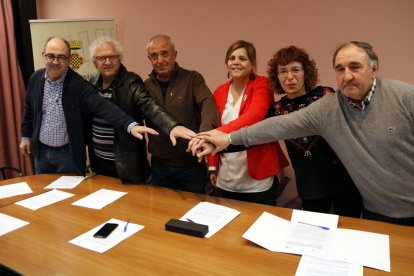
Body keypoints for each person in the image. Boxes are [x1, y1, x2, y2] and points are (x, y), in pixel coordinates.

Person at [193, 41, 414, 226]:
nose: (347, 76)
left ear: (373, 68)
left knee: (349, 229)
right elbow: (266, 130)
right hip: (315, 187)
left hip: (346, 185)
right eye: (340, 69)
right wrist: (222, 142)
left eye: (355, 67)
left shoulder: (328, 98)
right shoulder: (319, 106)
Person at [20, 37, 158, 175]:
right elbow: (29, 108)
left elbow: (103, 106)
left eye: (61, 57)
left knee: (72, 195)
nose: (55, 62)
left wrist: (130, 125)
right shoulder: (35, 78)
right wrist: (26, 136)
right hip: (41, 153)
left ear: (69, 59)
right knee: (44, 194)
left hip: (68, 155)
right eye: (50, 56)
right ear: (43, 55)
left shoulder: (79, 85)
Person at [266, 45, 361, 216]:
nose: (289, 77)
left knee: (350, 230)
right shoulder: (277, 109)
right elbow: (255, 135)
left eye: (295, 70)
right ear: (277, 76)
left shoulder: (325, 95)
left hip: (343, 179)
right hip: (310, 185)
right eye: (282, 71)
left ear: (305, 72)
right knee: (315, 234)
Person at [88, 36, 196, 184]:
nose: (107, 62)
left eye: (112, 57)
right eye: (102, 58)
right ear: (95, 61)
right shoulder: (91, 84)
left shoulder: (131, 82)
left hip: (125, 164)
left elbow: (149, 105)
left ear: (119, 58)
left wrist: (172, 126)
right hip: (99, 161)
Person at [195, 40, 288, 205]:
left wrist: (215, 134)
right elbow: (214, 127)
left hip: (257, 180)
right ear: (226, 63)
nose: (236, 62)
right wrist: (212, 166)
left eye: (242, 59)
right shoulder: (219, 91)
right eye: (232, 58)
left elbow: (254, 117)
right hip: (227, 178)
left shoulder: (262, 85)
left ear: (252, 64)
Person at [144, 34, 218, 194]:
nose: (160, 60)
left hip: (191, 165)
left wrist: (204, 136)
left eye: (164, 53)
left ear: (174, 54)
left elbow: (208, 104)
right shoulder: (146, 86)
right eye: (154, 56)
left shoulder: (193, 79)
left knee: (193, 213)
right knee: (161, 212)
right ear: (149, 58)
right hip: (159, 166)